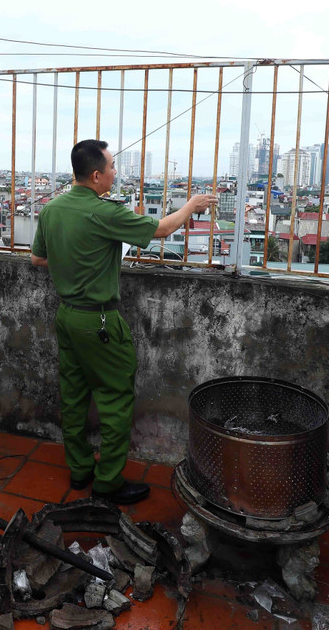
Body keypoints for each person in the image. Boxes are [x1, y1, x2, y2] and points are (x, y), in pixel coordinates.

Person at [31, 139, 217, 505]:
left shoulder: (52, 209)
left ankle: (80, 469)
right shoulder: (104, 213)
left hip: (67, 316)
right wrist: (191, 206)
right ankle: (108, 482)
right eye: (113, 167)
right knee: (115, 400)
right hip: (98, 321)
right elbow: (161, 231)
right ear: (97, 175)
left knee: (73, 396)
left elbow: (38, 259)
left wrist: (75, 262)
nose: (116, 172)